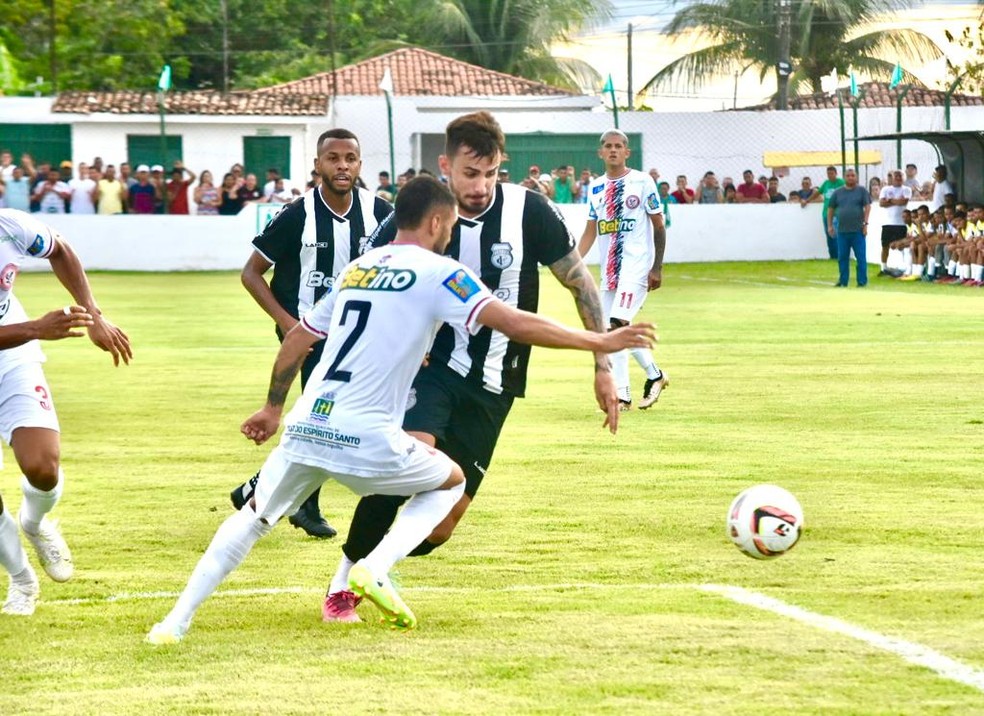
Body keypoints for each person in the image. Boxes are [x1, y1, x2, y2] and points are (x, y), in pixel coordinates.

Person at [146, 177, 652, 643]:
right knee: (450, 482)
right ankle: (376, 567)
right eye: (450, 225)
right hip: (366, 436)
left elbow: (299, 337)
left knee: (251, 521)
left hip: (307, 422)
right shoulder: (442, 274)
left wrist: (273, 406)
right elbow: (513, 322)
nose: (451, 233)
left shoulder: (357, 269)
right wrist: (600, 339)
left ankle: (174, 623)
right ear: (436, 222)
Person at [320, 111, 621, 623]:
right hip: (430, 369)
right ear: (446, 165)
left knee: (443, 520)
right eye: (469, 174)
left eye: (490, 174)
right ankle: (344, 585)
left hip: (497, 381)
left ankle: (378, 564)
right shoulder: (417, 217)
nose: (480, 187)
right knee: (406, 463)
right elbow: (371, 278)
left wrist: (603, 364)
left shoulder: (531, 211)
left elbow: (580, 283)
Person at [229, 128, 393, 539]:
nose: (342, 165)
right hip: (309, 333)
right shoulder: (297, 214)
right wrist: (290, 325)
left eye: (350, 158)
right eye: (333, 158)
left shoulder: (381, 213)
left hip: (357, 334)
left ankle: (260, 487)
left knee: (330, 417)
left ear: (359, 164)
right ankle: (300, 502)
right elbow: (251, 273)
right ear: (317, 165)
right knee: (328, 415)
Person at [0, 208, 132, 616]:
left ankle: (35, 524)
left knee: (43, 467)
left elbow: (61, 250)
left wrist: (93, 314)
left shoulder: (8, 224)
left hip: (12, 362)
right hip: (22, 336)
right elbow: (33, 328)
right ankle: (22, 582)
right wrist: (36, 329)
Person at [577, 129, 668, 412]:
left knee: (616, 325)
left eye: (618, 146)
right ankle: (631, 392)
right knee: (611, 333)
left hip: (637, 267)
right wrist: (572, 264)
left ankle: (648, 378)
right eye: (608, 146)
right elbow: (591, 231)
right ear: (600, 153)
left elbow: (658, 225)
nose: (613, 150)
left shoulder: (642, 182)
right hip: (611, 271)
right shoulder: (595, 187)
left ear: (627, 152)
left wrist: (657, 267)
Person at [827, 168, 871, 287]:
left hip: (858, 230)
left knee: (861, 257)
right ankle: (843, 281)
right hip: (842, 230)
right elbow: (830, 209)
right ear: (844, 177)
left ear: (856, 177)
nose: (850, 177)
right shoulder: (837, 192)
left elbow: (867, 207)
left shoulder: (862, 191)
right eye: (848, 175)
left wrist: (865, 224)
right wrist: (830, 225)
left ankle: (862, 281)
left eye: (853, 175)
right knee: (842, 257)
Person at [877, 170, 912, 276]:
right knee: (885, 246)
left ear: (904, 178)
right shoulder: (885, 189)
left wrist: (890, 200)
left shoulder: (907, 189)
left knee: (901, 246)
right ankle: (884, 268)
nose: (898, 178)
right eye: (896, 176)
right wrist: (895, 201)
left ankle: (903, 267)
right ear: (892, 177)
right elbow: (882, 203)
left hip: (901, 223)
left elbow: (904, 202)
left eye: (900, 176)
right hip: (887, 222)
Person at [814, 166, 846, 259]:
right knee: (829, 235)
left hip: (837, 213)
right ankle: (832, 256)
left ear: (836, 173)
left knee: (836, 235)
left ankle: (839, 255)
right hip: (826, 213)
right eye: (828, 174)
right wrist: (807, 200)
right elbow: (818, 192)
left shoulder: (841, 182)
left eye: (832, 173)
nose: (830, 175)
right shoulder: (826, 183)